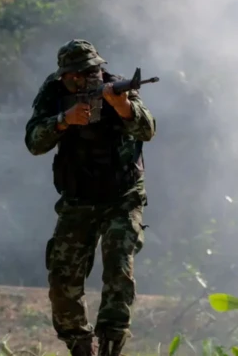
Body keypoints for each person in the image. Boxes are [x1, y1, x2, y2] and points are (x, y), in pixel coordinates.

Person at [24, 39, 156, 356]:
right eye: (75, 75)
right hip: (79, 197)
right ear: (65, 77)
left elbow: (148, 129)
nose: (85, 79)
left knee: (118, 265)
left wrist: (122, 106)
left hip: (122, 195)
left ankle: (111, 343)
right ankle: (80, 345)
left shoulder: (117, 88)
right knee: (62, 275)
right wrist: (64, 120)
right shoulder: (54, 94)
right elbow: (33, 142)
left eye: (91, 71)